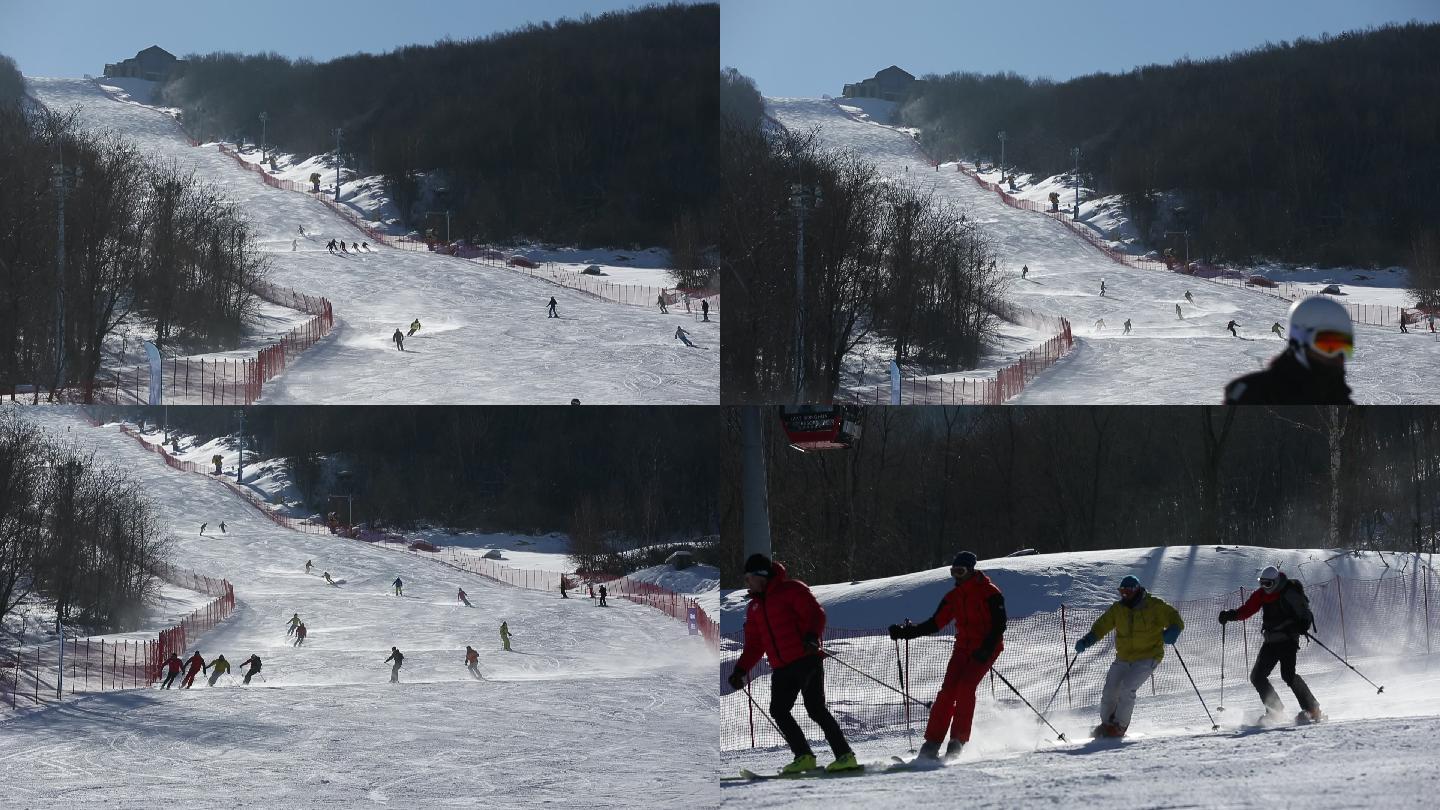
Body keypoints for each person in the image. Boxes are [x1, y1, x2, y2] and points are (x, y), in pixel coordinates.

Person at [728, 553, 858, 774]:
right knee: (778, 710)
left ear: (760, 576)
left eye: (748, 577)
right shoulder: (754, 608)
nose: (746, 582)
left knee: (815, 709)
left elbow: (816, 614)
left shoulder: (791, 590)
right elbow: (754, 645)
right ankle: (804, 756)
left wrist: (811, 637)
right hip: (781, 667)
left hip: (806, 659)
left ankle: (845, 756)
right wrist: (740, 669)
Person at [889, 551, 1006, 761]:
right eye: (953, 572)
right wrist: (906, 632)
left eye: (960, 571)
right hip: (962, 648)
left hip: (986, 648)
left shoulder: (990, 592)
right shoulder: (953, 597)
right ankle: (932, 742)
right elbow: (935, 623)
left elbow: (999, 625)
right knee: (947, 692)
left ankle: (957, 741)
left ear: (971, 571)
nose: (956, 577)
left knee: (966, 687)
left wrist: (986, 649)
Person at [1073, 575, 1183, 738]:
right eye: (1121, 592)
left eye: (1128, 592)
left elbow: (1175, 619)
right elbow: (1102, 626)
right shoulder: (1118, 609)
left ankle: (1119, 726)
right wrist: (1087, 640)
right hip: (1124, 657)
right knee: (1110, 689)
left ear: (1137, 590)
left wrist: (1173, 631)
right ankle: (1106, 724)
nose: (1124, 595)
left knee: (1127, 687)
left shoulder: (1153, 606)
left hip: (1148, 655)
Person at [1219, 566, 1321, 723]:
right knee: (1257, 677)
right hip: (1271, 640)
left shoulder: (1288, 592)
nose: (1264, 587)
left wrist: (1302, 624)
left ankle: (1312, 709)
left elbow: (1304, 613)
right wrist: (1230, 615)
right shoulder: (1262, 595)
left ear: (1275, 582)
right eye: (1262, 583)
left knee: (1288, 675)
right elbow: (1247, 609)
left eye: (1267, 584)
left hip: (1288, 640)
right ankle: (1275, 711)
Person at [1224, 297, 1353, 405]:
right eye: (1326, 344)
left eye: (1344, 345)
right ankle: (1235, 336)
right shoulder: (1251, 393)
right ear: (1299, 343)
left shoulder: (1342, 401)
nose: (1337, 355)